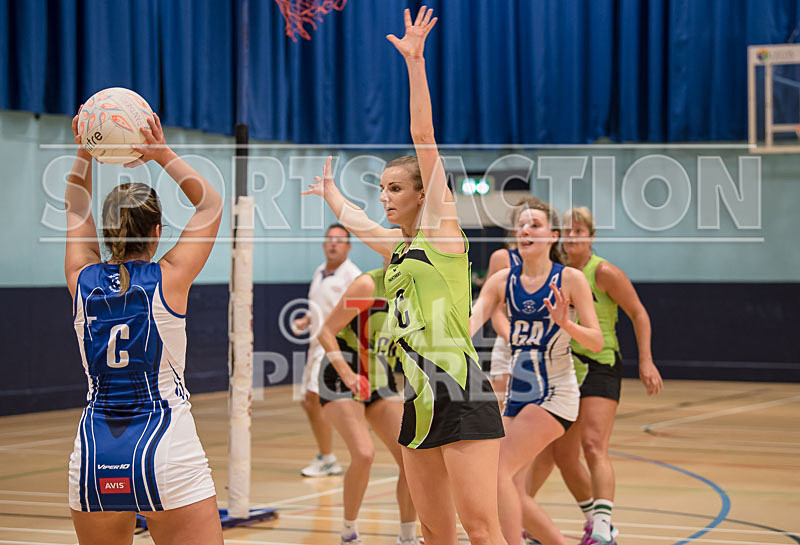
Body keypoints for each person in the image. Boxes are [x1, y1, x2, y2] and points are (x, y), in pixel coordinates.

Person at [301, 8, 507, 545]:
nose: (386, 198)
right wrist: (331, 196)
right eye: (383, 189)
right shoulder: (398, 249)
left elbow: (424, 136)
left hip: (460, 391)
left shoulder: (443, 235)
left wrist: (415, 64)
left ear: (422, 193)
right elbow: (360, 222)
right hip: (417, 400)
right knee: (434, 531)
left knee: (480, 529)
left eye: (396, 188)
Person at [65, 111, 224, 544]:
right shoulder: (169, 276)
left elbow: (75, 203)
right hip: (166, 444)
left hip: (96, 448)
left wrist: (86, 148)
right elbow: (210, 203)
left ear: (107, 231)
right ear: (157, 231)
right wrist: (160, 153)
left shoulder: (82, 278)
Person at [523, 207, 664, 545]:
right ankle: (547, 517)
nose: (573, 237)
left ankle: (602, 527)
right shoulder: (556, 273)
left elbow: (638, 312)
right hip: (563, 368)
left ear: (591, 236)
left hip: (600, 364)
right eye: (567, 232)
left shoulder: (602, 272)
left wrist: (646, 360)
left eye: (578, 231)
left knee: (593, 444)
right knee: (557, 454)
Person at [469, 198, 603, 545]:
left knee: (497, 470)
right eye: (521, 225)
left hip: (556, 394)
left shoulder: (570, 279)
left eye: (535, 225)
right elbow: (469, 324)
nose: (525, 229)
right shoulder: (502, 280)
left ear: (552, 236)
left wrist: (565, 324)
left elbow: (597, 341)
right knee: (512, 486)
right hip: (519, 394)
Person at [316, 265, 418, 545]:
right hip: (341, 375)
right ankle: (349, 533)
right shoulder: (367, 286)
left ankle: (407, 537)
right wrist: (348, 374)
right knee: (364, 454)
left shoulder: (413, 292)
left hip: (380, 377)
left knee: (411, 456)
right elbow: (325, 332)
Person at [292, 224, 361, 477]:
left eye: (339, 240)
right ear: (324, 244)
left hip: (334, 345)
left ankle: (330, 457)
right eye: (329, 240)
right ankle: (328, 456)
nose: (333, 244)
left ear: (348, 246)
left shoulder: (352, 275)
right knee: (308, 402)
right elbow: (318, 307)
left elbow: (355, 311)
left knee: (314, 398)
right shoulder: (320, 271)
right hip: (314, 344)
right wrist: (306, 320)